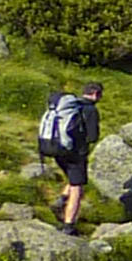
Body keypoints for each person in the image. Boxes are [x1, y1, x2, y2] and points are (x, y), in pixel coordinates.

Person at [35, 80, 103, 230]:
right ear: (96, 94)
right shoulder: (89, 110)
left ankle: (61, 200)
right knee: (78, 188)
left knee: (73, 179)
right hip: (75, 153)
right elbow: (92, 137)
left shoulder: (69, 106)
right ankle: (69, 224)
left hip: (56, 149)